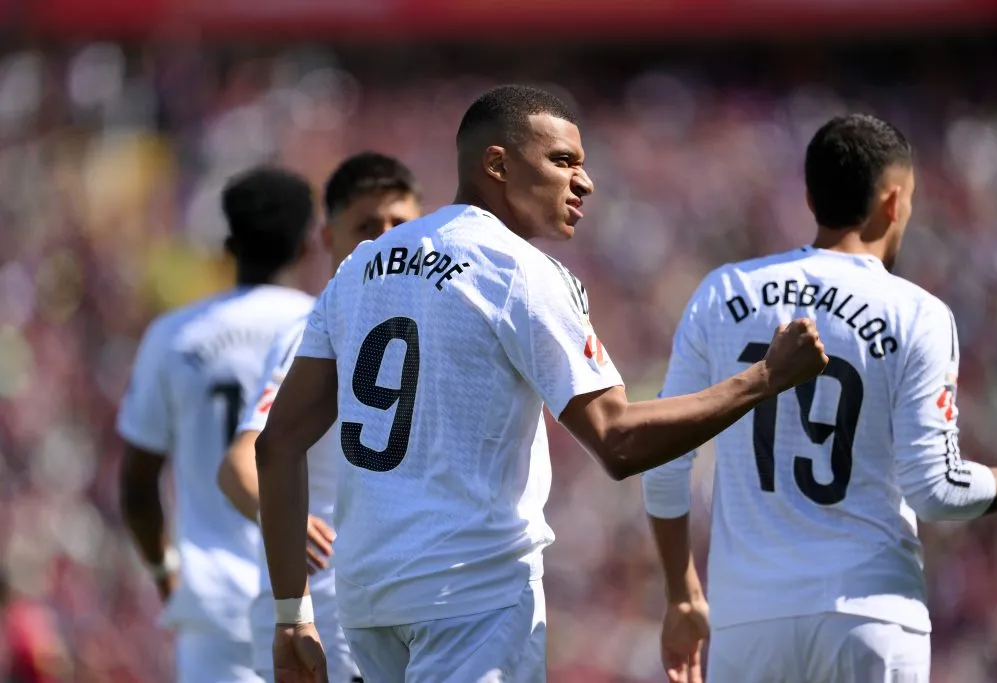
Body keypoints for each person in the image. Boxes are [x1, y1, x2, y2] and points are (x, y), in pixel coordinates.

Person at [254, 84, 828, 683]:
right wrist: (764, 379)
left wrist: (291, 615)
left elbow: (278, 444)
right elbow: (618, 440)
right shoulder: (516, 270)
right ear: (497, 164)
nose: (584, 183)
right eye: (563, 161)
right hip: (470, 598)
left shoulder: (358, 268)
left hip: (366, 602)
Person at [642, 114, 997, 683]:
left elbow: (664, 462)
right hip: (870, 615)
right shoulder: (916, 313)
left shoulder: (723, 293)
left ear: (809, 196)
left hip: (750, 624)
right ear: (893, 202)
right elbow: (938, 491)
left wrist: (682, 594)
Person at [217, 152, 422, 683]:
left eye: (398, 224)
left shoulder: (443, 326)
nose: (384, 240)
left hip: (414, 619)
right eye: (364, 227)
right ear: (326, 238)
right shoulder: (317, 332)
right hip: (335, 627)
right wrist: (286, 519)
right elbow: (241, 464)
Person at [118, 166, 318, 683]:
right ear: (306, 246)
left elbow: (138, 485)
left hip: (214, 605)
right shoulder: (324, 329)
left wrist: (165, 571)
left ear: (228, 244)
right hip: (314, 596)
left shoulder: (173, 337)